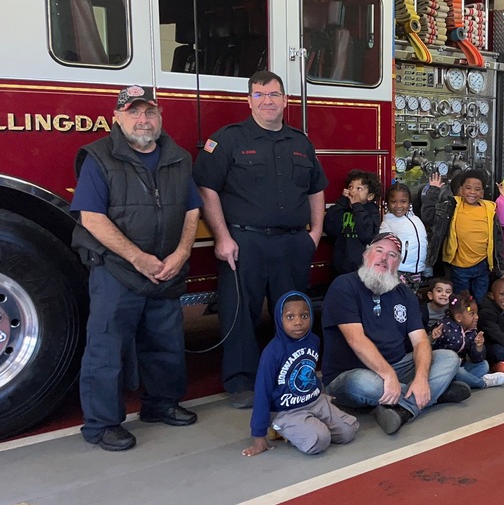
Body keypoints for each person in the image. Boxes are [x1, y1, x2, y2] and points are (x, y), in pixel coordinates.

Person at [71, 85, 201, 451]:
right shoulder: (99, 157)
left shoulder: (177, 157)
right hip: (117, 271)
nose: (143, 120)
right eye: (134, 113)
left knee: (166, 344)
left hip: (166, 269)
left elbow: (192, 209)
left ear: (159, 117)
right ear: (117, 117)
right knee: (106, 349)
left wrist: (180, 254)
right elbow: (91, 218)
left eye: (150, 113)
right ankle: (101, 425)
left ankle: (160, 405)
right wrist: (137, 258)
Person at [193, 70, 327, 409]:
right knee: (239, 314)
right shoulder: (228, 139)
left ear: (285, 100)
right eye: (259, 94)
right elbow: (206, 189)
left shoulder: (300, 142)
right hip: (245, 243)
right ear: (249, 99)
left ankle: (294, 376)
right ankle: (241, 384)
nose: (267, 101)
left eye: (273, 95)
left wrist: (313, 234)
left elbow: (317, 190)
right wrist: (222, 238)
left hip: (292, 244)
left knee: (294, 313)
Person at [321, 232, 466, 435]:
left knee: (449, 358)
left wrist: (422, 378)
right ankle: (437, 394)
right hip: (352, 374)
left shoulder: (405, 294)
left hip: (398, 367)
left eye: (392, 255)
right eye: (378, 251)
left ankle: (404, 409)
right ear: (366, 255)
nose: (384, 258)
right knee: (364, 383)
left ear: (397, 264)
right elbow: (356, 339)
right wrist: (387, 374)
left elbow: (420, 341)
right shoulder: (344, 286)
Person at [243, 292, 358, 457]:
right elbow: (262, 392)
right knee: (320, 440)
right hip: (286, 410)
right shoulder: (272, 352)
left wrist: (321, 392)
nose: (298, 322)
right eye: (290, 317)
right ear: (279, 319)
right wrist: (258, 435)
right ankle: (281, 428)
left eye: (304, 316)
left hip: (314, 401)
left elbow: (308, 370)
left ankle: (306, 427)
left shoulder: (314, 340)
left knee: (348, 431)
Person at [423, 169, 504, 305]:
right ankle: (460, 325)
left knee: (479, 302)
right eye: (468, 188)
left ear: (483, 192)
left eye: (477, 189)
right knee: (460, 302)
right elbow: (428, 216)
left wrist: (500, 265)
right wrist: (433, 190)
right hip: (459, 267)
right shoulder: (452, 206)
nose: (473, 192)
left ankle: (476, 324)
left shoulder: (490, 209)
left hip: (483, 266)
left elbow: (498, 239)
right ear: (461, 190)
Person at [431, 292, 504, 389]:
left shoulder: (472, 331)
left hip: (461, 366)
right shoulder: (444, 327)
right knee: (459, 372)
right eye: (472, 314)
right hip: (444, 370)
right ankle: (483, 382)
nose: (477, 317)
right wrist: (432, 338)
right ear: (459, 317)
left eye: (476, 313)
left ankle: (459, 382)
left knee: (484, 365)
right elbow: (429, 349)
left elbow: (476, 359)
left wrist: (478, 347)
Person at [324, 169, 382, 275]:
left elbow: (367, 235)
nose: (352, 191)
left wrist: (357, 206)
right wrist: (341, 202)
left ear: (370, 196)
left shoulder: (372, 211)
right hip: (340, 266)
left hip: (363, 268)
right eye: (350, 187)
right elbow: (329, 228)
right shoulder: (343, 207)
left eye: (359, 188)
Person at [380, 182, 430, 291]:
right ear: (388, 203)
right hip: (399, 270)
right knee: (398, 300)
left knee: (411, 299)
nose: (398, 206)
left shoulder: (416, 219)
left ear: (409, 203)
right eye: (393, 202)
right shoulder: (387, 221)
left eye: (403, 202)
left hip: (416, 270)